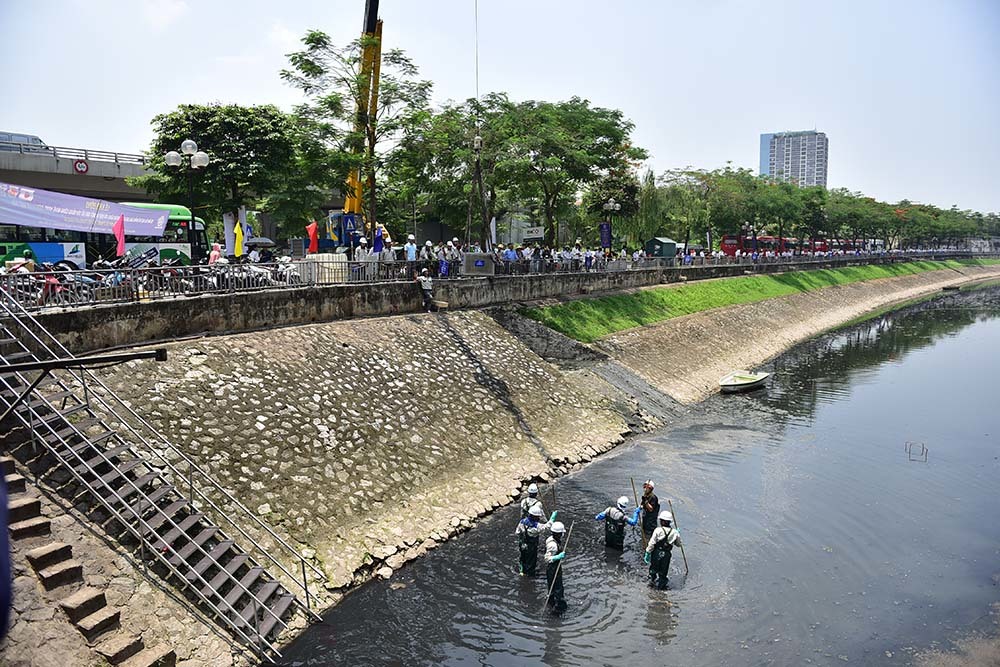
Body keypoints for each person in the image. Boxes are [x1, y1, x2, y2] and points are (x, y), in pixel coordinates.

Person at [515, 505, 557, 576]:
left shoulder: (522, 521)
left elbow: (517, 532)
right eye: (538, 516)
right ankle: (529, 575)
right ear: (534, 516)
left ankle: (522, 571)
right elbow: (546, 527)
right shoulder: (536, 526)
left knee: (523, 557)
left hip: (522, 543)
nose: (539, 518)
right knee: (531, 560)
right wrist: (552, 519)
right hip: (531, 546)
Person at [644, 510, 682, 589]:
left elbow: (652, 543)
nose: (660, 521)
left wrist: (647, 552)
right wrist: (677, 534)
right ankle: (661, 588)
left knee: (653, 569)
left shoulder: (658, 530)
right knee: (663, 572)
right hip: (666, 555)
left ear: (663, 522)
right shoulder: (674, 532)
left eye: (661, 520)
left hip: (656, 553)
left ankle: (651, 584)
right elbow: (679, 545)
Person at [544, 521, 568, 611]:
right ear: (558, 534)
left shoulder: (551, 538)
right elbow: (547, 558)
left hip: (555, 566)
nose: (562, 535)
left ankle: (552, 602)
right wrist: (557, 557)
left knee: (552, 587)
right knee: (558, 587)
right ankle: (559, 607)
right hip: (553, 568)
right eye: (561, 533)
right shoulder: (552, 545)